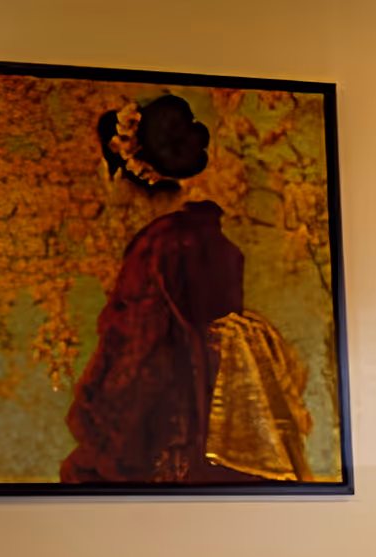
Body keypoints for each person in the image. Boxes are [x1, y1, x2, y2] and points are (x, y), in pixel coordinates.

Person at [60, 93, 273, 485]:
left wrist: (110, 405)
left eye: (109, 171)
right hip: (213, 401)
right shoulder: (211, 237)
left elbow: (140, 343)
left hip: (172, 408)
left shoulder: (160, 245)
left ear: (137, 175)